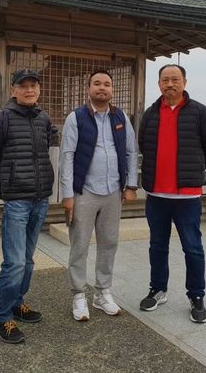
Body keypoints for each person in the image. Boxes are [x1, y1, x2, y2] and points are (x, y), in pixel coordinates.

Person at [137, 64, 206, 323]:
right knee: (157, 246)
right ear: (159, 83)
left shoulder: (200, 112)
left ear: (184, 81)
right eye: (164, 80)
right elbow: (143, 145)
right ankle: (158, 289)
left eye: (175, 79)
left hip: (187, 196)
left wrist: (191, 170)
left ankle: (196, 295)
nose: (169, 84)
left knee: (193, 248)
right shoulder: (150, 114)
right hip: (157, 195)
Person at [0, 69, 55, 344]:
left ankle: (17, 303)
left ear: (38, 90)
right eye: (23, 86)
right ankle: (1, 317)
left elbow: (50, 146)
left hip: (40, 198)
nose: (29, 90)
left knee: (27, 259)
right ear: (13, 90)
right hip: (17, 200)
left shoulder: (44, 119)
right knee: (13, 262)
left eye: (33, 86)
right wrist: (2, 190)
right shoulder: (1, 119)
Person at [59, 70, 138, 321]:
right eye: (97, 84)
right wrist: (67, 193)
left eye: (106, 84)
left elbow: (130, 152)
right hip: (84, 192)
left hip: (113, 191)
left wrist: (131, 185)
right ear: (89, 88)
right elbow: (67, 156)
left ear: (112, 90)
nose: (102, 88)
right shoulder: (77, 117)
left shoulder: (120, 116)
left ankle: (103, 292)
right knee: (79, 244)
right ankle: (78, 294)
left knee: (109, 243)